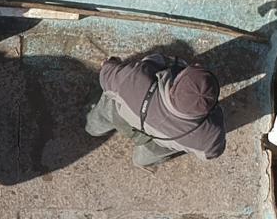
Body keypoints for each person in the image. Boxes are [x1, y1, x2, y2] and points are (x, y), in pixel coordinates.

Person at [85, 53, 225, 167]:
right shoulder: (209, 137)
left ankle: (92, 129)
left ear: (173, 87)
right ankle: (140, 163)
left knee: (108, 107)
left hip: (123, 116)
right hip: (158, 142)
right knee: (143, 159)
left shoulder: (133, 80)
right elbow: (211, 153)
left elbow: (106, 74)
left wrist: (110, 63)